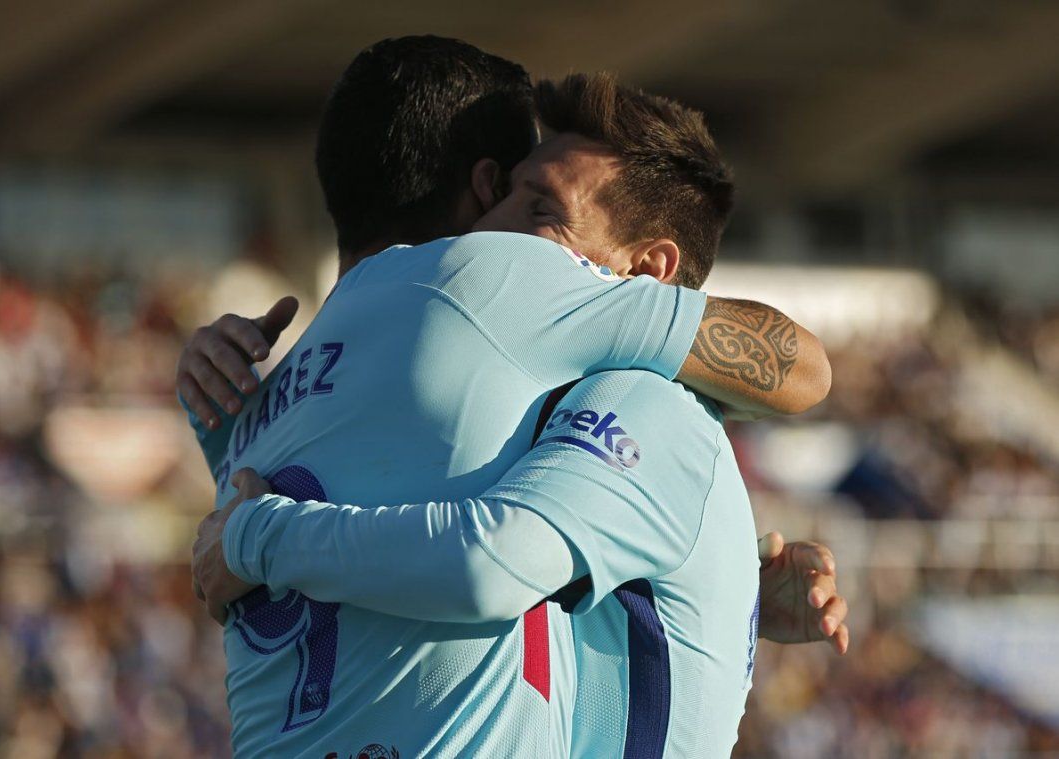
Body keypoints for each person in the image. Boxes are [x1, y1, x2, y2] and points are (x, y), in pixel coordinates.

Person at [179, 37, 844, 757]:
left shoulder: (255, 401)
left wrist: (727, 584)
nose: (498, 231)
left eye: (539, 210)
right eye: (510, 199)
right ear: (483, 183)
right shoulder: (496, 294)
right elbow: (801, 370)